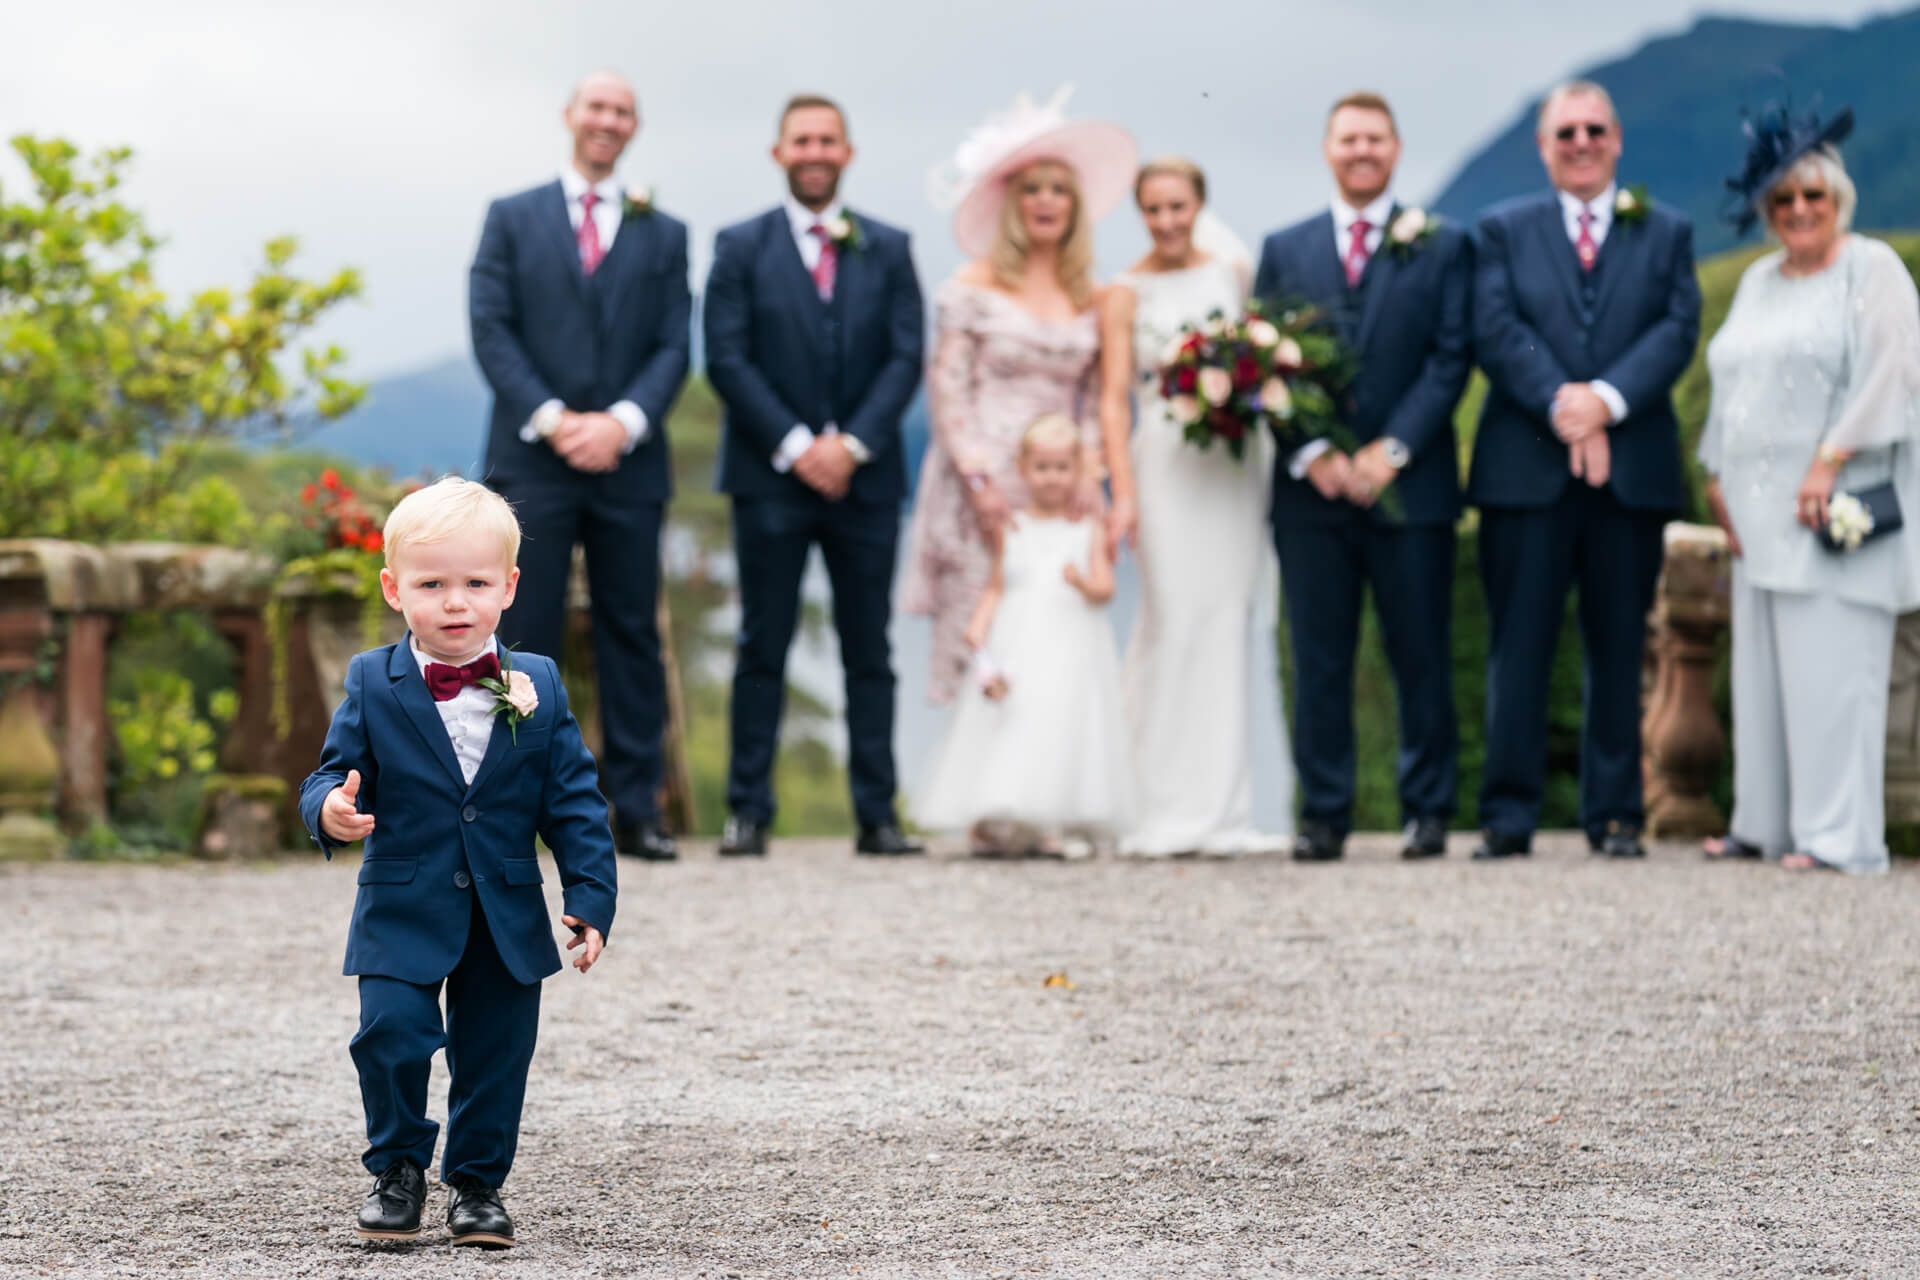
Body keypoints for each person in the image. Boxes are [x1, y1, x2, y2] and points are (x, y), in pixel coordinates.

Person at [298, 478, 618, 1250]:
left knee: (496, 1056)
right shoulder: (374, 681)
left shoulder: (536, 681)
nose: (454, 603)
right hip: (402, 904)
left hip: (504, 911)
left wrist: (589, 896)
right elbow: (327, 774)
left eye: (475, 584)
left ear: (508, 587)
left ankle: (478, 1187)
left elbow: (573, 800)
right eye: (431, 585)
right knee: (390, 1034)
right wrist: (330, 813)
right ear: (393, 589)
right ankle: (398, 1169)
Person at [1467, 79, 1701, 861]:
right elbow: (1494, 326)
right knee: (1520, 644)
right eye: (1564, 132)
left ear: (1617, 139)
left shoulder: (1666, 231)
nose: (1580, 143)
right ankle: (1508, 813)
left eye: (1594, 129)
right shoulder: (1501, 229)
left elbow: (1676, 328)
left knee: (1618, 644)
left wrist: (1606, 401)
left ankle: (1616, 814)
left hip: (1630, 473)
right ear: (1543, 146)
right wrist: (1563, 404)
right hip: (1522, 474)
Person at [468, 71, 691, 862]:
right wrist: (558, 422)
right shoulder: (512, 217)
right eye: (596, 107)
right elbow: (491, 329)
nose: (608, 120)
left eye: (622, 111)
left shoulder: (663, 232)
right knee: (522, 629)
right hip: (534, 458)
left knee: (632, 631)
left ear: (633, 127)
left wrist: (621, 424)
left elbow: (673, 343)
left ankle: (637, 808)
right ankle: (508, 804)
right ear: (571, 116)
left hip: (629, 464)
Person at [1699, 107, 1920, 874]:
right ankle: (1762, 823)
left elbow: (1896, 369)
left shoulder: (1872, 268)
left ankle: (1838, 839)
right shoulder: (1759, 281)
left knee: (1834, 677)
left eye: (1813, 197)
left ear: (1839, 201)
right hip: (1756, 513)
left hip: (1833, 506)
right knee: (1759, 676)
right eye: (1783, 199)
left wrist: (1831, 457)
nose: (1797, 210)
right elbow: (1728, 381)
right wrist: (1716, 475)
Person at [1252, 92, 1472, 862]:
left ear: (1397, 148)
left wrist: (1390, 451)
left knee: (1420, 651)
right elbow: (1264, 365)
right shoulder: (1285, 249)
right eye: (1348, 139)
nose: (1361, 151)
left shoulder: (1442, 245)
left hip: (1411, 486)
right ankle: (1324, 812)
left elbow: (1451, 360)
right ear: (1327, 150)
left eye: (1375, 138)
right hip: (1311, 496)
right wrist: (1318, 456)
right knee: (1319, 656)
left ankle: (1428, 810)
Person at [705, 94, 925, 858]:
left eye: (828, 139)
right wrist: (800, 445)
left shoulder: (890, 246)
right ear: (779, 152)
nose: (815, 150)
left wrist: (853, 444)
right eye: (802, 139)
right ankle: (747, 812)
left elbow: (906, 355)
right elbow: (726, 357)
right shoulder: (738, 246)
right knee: (761, 643)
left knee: (871, 649)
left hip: (867, 482)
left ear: (848, 152)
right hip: (770, 480)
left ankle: (878, 813)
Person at [906, 87, 1136, 704]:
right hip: (982, 488)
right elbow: (948, 392)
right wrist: (979, 480)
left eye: (1059, 188)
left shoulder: (1093, 296)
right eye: (1032, 188)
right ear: (1011, 201)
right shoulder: (971, 285)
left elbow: (1093, 399)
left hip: (1059, 490)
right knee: (978, 645)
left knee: (1052, 648)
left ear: (1076, 204)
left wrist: (1090, 473)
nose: (1045, 200)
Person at [1098, 156, 1293, 858]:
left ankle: (1222, 813)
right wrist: (1121, 494)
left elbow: (1261, 360)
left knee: (1225, 622)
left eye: (1178, 207)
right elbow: (1112, 398)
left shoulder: (1230, 274)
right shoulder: (1123, 291)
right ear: (1140, 213)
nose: (1168, 222)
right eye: (1154, 210)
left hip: (1232, 470)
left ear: (1199, 206)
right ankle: (1150, 804)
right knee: (1172, 620)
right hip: (1164, 468)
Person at [914, 414, 1132, 853]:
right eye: (1042, 468)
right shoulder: (1011, 526)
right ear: (1022, 469)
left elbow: (1107, 588)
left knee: (1061, 720)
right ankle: (1001, 814)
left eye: (1061, 468)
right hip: (1018, 641)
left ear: (1078, 472)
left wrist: (1083, 583)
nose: (1052, 479)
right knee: (1013, 719)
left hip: (1069, 645)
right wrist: (977, 627)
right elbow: (997, 583)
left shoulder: (1087, 529)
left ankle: (1055, 817)